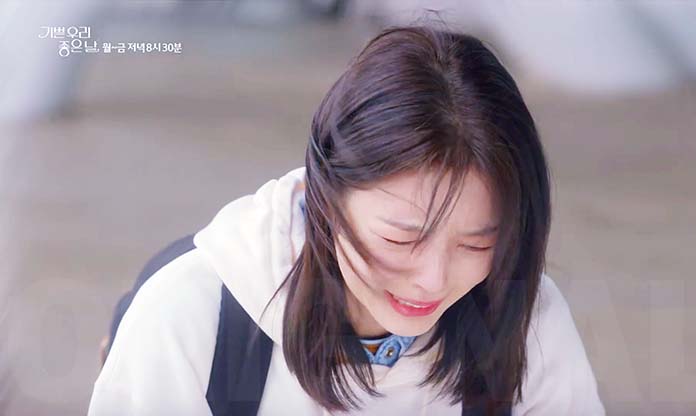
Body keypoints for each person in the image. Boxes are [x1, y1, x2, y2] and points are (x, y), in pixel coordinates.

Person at [89, 24, 605, 415]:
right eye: (401, 239)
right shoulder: (189, 317)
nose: (433, 280)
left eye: (475, 245)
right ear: (326, 192)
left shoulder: (527, 321)